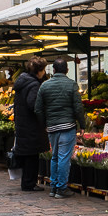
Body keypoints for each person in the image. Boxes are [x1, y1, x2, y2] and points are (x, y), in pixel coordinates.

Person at [35, 58, 86, 199]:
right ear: (67, 70)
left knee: (55, 157)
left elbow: (38, 109)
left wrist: (45, 124)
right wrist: (82, 125)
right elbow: (78, 107)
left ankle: (53, 187)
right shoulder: (71, 85)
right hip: (67, 126)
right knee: (64, 157)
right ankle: (61, 188)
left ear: (54, 70)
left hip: (51, 127)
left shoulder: (44, 86)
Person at [12, 56, 48, 192]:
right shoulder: (34, 85)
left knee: (28, 155)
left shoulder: (23, 82)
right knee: (32, 156)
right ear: (39, 71)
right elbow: (33, 104)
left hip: (23, 123)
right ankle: (29, 183)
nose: (44, 72)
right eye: (43, 69)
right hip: (31, 125)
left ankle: (27, 182)